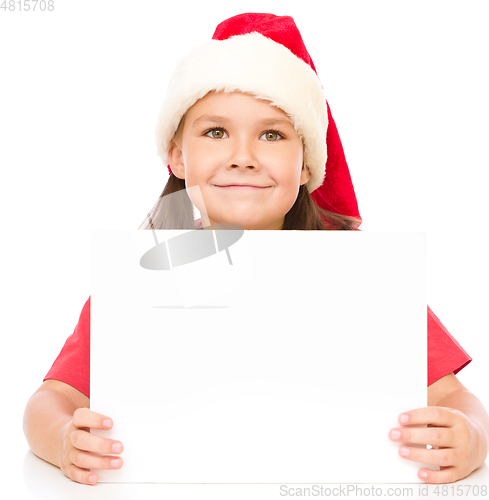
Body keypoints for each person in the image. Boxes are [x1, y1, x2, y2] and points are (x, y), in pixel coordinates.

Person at [23, 12, 489, 486]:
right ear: (178, 156)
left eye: (271, 134)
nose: (243, 156)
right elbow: (50, 399)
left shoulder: (362, 275)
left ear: (306, 163)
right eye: (216, 132)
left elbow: (453, 396)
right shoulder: (142, 278)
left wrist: (472, 435)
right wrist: (63, 437)